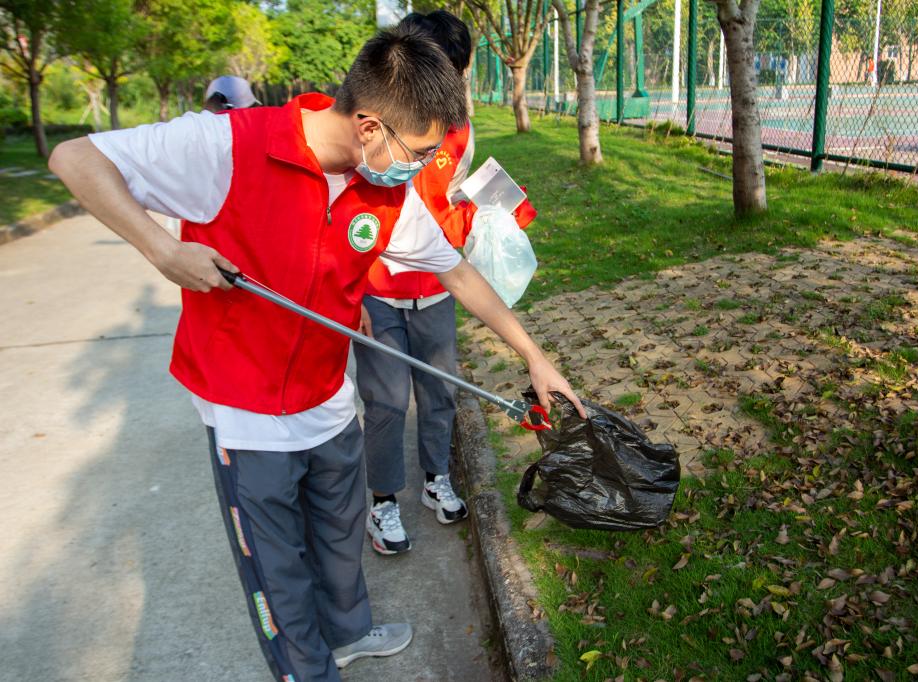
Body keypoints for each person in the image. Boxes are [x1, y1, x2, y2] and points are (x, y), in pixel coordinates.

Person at [49, 25, 583, 682]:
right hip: (247, 411)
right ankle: (305, 669)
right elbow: (75, 159)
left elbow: (457, 272)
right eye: (418, 153)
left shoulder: (386, 191)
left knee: (338, 531)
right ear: (369, 126)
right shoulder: (227, 145)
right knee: (277, 568)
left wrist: (533, 355)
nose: (421, 169)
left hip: (326, 394)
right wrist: (162, 250)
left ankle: (349, 632)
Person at [356, 9, 536, 555]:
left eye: (455, 73)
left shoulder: (458, 131)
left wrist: (492, 210)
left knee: (439, 391)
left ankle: (437, 477)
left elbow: (452, 192)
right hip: (377, 288)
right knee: (386, 401)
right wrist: (351, 292)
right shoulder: (372, 125)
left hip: (436, 285)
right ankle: (383, 501)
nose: (448, 84)